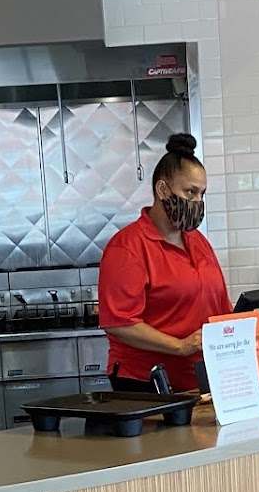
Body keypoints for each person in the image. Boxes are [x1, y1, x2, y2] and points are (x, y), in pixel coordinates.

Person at [98, 131, 232, 393]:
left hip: (197, 380)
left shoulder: (198, 242)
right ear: (162, 190)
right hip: (146, 383)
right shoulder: (127, 247)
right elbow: (119, 324)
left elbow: (218, 305)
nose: (197, 202)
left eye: (202, 194)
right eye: (190, 192)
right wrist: (180, 346)